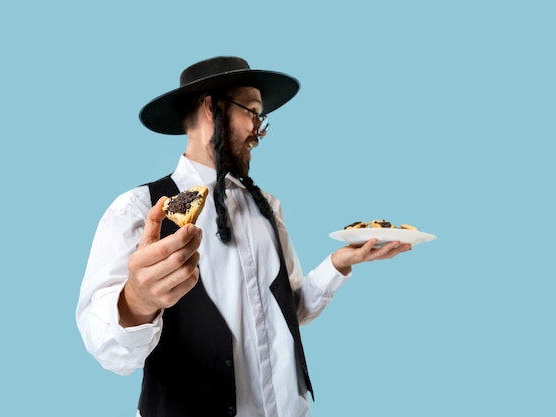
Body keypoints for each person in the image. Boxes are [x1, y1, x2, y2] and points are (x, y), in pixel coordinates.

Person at [76, 56, 411, 417]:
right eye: (252, 111)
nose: (259, 129)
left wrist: (339, 263)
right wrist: (137, 302)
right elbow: (107, 349)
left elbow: (287, 309)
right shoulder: (137, 209)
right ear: (211, 108)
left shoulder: (267, 206)